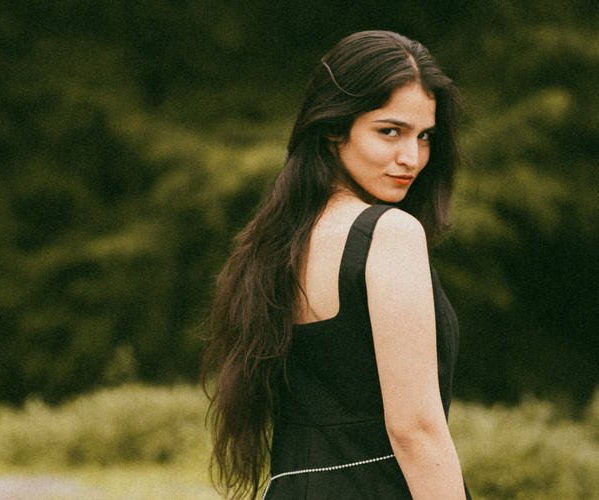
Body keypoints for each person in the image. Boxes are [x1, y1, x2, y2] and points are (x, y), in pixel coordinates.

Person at [201, 31, 471, 499]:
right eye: (390, 131)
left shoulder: (277, 242)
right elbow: (416, 432)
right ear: (333, 127)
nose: (412, 158)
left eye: (424, 136)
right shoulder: (389, 233)